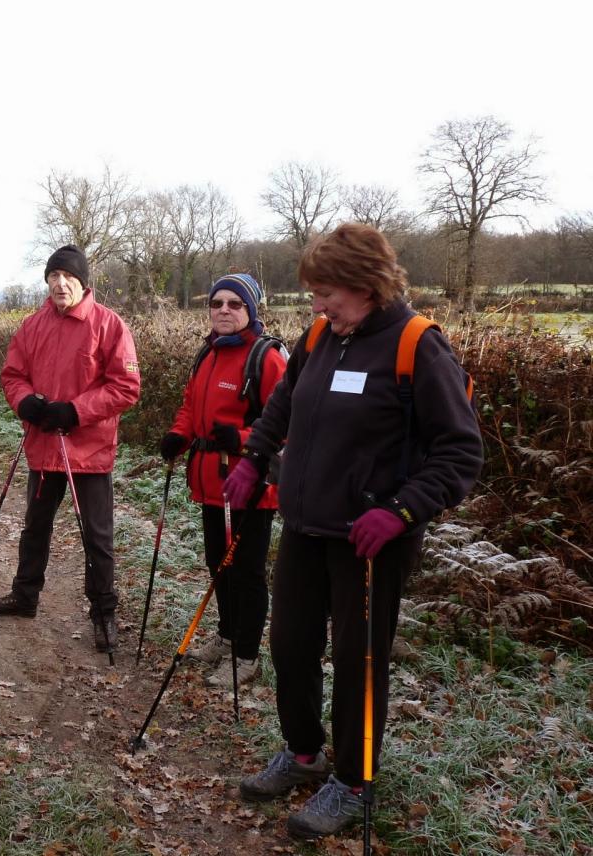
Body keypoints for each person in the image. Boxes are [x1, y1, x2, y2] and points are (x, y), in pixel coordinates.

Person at [224, 223, 481, 840]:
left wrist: (400, 510)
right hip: (308, 523)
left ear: (366, 286)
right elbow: (285, 402)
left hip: (372, 539)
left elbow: (460, 451)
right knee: (288, 642)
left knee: (358, 660)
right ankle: (304, 752)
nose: (316, 305)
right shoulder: (320, 336)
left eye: (325, 293)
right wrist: (255, 457)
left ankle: (355, 779)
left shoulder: (417, 345)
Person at [0, 244, 141, 654]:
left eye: (67, 276)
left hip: (88, 451)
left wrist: (75, 411)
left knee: (97, 537)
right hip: (43, 448)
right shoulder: (33, 325)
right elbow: (12, 375)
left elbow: (126, 387)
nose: (59, 283)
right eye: (53, 276)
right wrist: (25, 403)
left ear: (83, 282)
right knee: (35, 526)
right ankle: (25, 595)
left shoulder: (109, 325)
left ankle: (104, 613)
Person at [159, 273, 286, 687]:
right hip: (210, 483)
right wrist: (179, 435)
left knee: (246, 571)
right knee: (219, 564)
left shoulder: (266, 358)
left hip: (249, 486)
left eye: (235, 304)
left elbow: (290, 423)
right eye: (217, 304)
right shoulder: (208, 353)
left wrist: (245, 439)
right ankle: (228, 637)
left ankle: (247, 655)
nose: (225, 311)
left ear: (251, 310)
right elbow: (190, 404)